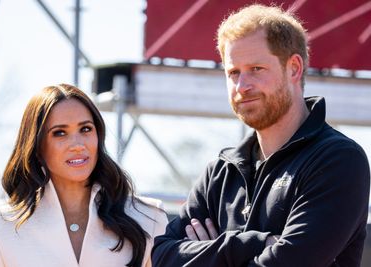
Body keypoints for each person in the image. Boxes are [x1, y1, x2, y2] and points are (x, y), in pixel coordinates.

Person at [152, 4, 370, 267]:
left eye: (256, 68)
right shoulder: (220, 173)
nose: (242, 86)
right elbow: (161, 256)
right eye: (233, 73)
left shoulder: (338, 160)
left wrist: (206, 254)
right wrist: (249, 244)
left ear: (294, 68)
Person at [0, 84, 168, 267]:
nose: (77, 144)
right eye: (59, 133)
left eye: (85, 129)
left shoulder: (150, 217)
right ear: (37, 146)